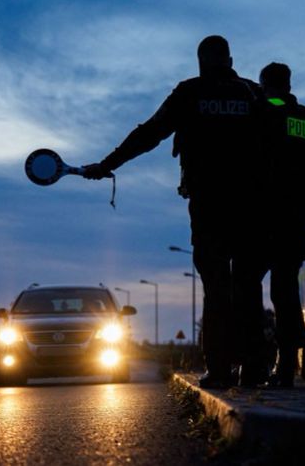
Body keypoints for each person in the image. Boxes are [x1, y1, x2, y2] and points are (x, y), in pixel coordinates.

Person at [82, 35, 269, 389]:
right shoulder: (252, 94)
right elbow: (274, 147)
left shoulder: (189, 93)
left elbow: (149, 133)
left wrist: (109, 163)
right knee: (247, 286)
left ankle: (219, 369)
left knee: (215, 288)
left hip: (209, 205)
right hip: (251, 206)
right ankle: (255, 368)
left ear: (200, 61)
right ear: (230, 59)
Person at [258, 62, 305, 388]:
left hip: (261, 216)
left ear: (265, 83)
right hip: (295, 217)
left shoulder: (260, 114)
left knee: (247, 286)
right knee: (285, 291)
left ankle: (253, 363)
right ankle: (285, 365)